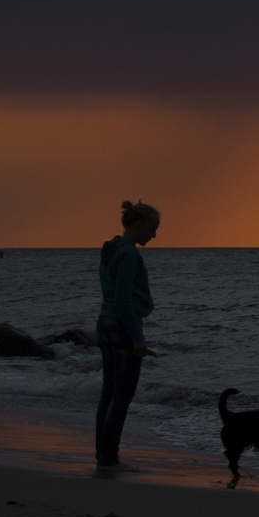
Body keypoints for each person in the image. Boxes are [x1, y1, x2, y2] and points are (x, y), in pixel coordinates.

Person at [96, 200, 159, 471]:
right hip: (122, 326)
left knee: (109, 393)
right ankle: (109, 459)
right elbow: (123, 299)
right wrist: (137, 338)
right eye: (153, 228)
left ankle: (104, 456)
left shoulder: (111, 250)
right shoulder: (129, 254)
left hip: (105, 323)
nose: (155, 234)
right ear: (137, 225)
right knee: (121, 396)